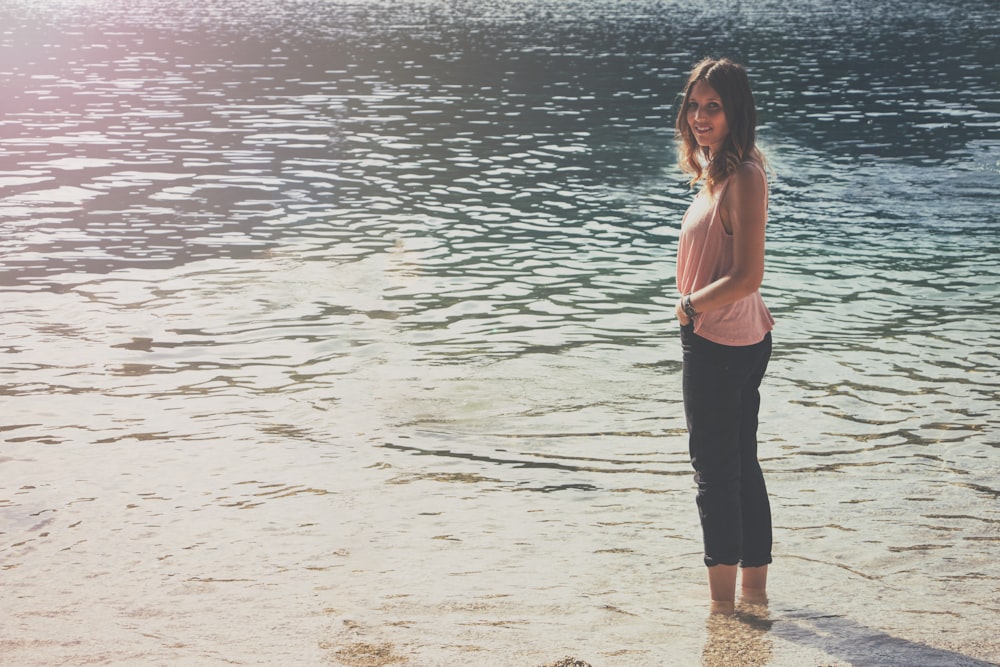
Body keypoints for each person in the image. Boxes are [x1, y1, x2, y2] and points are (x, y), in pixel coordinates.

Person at [673, 57, 775, 615]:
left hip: (720, 340)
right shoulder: (720, 172)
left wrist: (689, 306)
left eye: (713, 107)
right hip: (734, 338)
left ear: (736, 112)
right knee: (738, 462)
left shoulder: (745, 177)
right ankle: (752, 596)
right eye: (694, 105)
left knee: (715, 469)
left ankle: (722, 610)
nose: (700, 117)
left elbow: (748, 276)